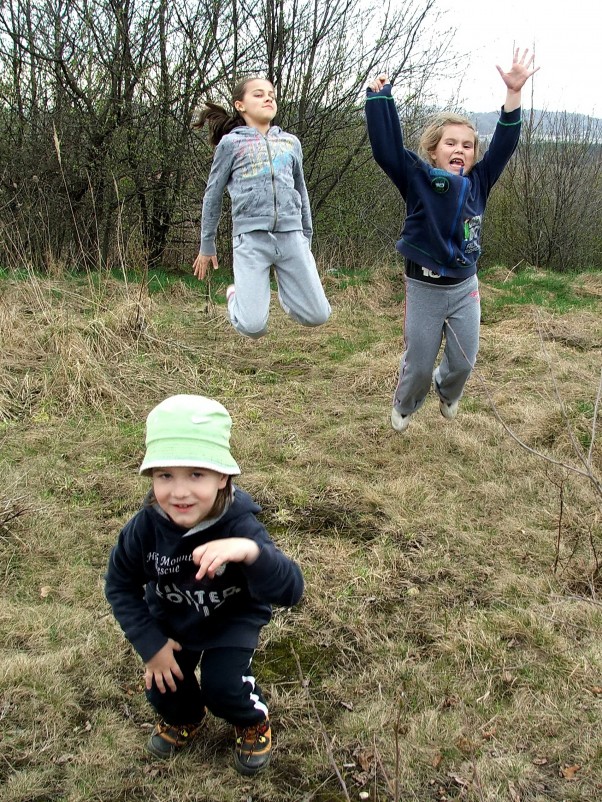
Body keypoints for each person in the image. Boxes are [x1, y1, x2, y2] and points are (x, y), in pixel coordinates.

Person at [104, 394, 304, 775]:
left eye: (196, 474)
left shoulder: (240, 527)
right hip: (172, 622)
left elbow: (291, 590)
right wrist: (151, 645)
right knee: (162, 686)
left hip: (231, 621)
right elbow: (119, 586)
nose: (179, 492)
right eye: (165, 475)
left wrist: (249, 552)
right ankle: (185, 718)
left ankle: (251, 721)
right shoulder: (144, 529)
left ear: (223, 476)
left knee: (223, 685)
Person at [365, 48, 539, 433]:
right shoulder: (418, 179)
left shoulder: (480, 181)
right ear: (432, 150)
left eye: (467, 145)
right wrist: (380, 100)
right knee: (420, 363)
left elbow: (506, 144)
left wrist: (513, 95)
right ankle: (406, 402)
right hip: (424, 287)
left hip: (465, 286)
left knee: (463, 360)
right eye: (451, 143)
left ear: (475, 155)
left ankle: (448, 389)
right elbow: (387, 150)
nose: (459, 149)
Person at [191, 76, 331, 338]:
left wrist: (306, 235)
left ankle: (286, 294)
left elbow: (301, 191)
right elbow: (213, 194)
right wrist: (206, 244)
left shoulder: (290, 143)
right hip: (251, 240)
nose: (268, 98)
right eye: (258, 94)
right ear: (240, 105)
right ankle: (235, 297)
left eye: (271, 94)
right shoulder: (231, 144)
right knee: (252, 327)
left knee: (319, 315)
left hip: (291, 236)